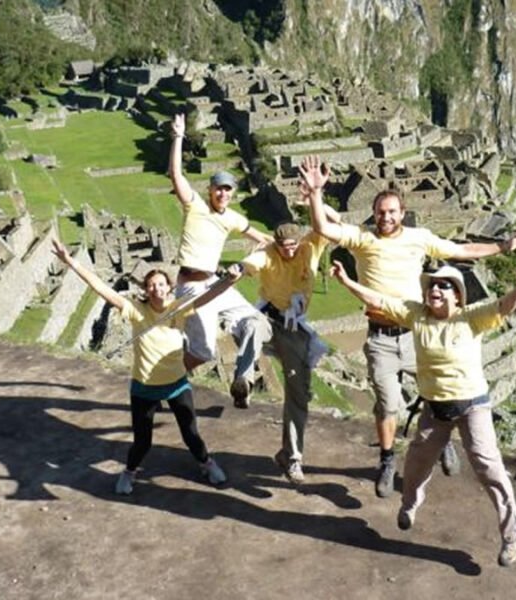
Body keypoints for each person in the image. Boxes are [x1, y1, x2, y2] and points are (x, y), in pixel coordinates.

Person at [305, 155, 516, 497]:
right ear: (375, 213)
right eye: (381, 212)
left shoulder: (419, 238)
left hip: (417, 333)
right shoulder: (362, 239)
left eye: (392, 212)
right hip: (381, 335)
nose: (386, 217)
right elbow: (324, 228)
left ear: (402, 212)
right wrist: (315, 194)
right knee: (388, 404)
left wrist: (504, 246)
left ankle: (439, 441)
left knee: (437, 391)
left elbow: (461, 250)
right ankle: (386, 459)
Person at [331, 256, 516, 567]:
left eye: (444, 285)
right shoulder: (417, 316)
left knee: (487, 465)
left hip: (472, 405)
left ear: (457, 293)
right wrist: (346, 282)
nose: (435, 289)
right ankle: (410, 504)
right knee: (415, 464)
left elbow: (503, 307)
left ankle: (514, 531)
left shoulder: (470, 317)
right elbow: (380, 301)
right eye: (431, 285)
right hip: (434, 408)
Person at [52, 239, 232, 495]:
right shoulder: (136, 311)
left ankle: (207, 463)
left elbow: (208, 296)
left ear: (169, 287)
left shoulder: (178, 309)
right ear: (146, 291)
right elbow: (102, 289)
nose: (156, 288)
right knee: (142, 441)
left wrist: (231, 280)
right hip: (145, 387)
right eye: (151, 285)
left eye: (161, 284)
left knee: (191, 433)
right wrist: (71, 262)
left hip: (177, 384)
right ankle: (129, 473)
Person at [226, 161, 341, 483]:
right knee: (250, 325)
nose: (288, 252)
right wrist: (237, 269)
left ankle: (291, 457)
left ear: (299, 243)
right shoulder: (269, 253)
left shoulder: (311, 247)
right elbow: (252, 262)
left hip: (294, 327)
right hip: (268, 316)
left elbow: (336, 222)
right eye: (283, 247)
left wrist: (315, 197)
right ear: (276, 244)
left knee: (298, 394)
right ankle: (244, 383)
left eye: (292, 246)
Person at [168, 113, 273, 408]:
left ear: (232, 193)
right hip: (191, 287)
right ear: (210, 190)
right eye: (218, 188)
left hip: (216, 284)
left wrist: (298, 243)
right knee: (203, 353)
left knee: (254, 320)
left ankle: (243, 379)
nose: (223, 193)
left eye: (228, 189)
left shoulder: (234, 218)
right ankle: (166, 379)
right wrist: (178, 137)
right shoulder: (195, 206)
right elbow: (176, 174)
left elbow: (264, 239)